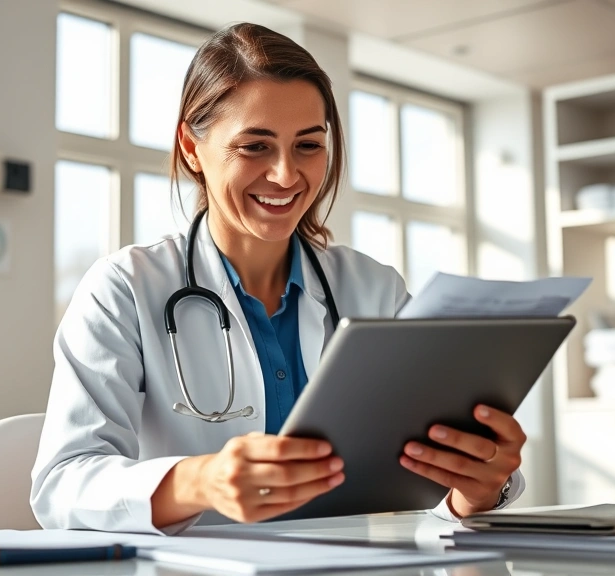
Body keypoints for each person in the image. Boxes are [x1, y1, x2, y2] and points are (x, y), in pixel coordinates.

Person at [31, 22, 526, 535]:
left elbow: (433, 486)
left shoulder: (374, 289)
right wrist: (199, 481)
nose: (287, 175)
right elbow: (62, 484)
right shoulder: (124, 289)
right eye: (254, 147)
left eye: (308, 145)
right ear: (191, 148)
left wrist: (479, 490)